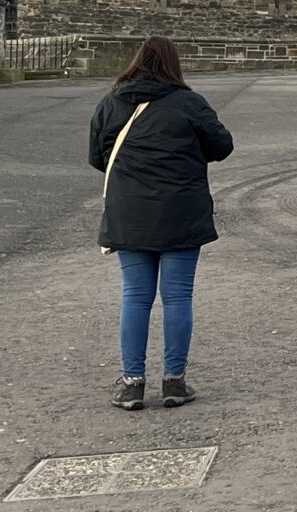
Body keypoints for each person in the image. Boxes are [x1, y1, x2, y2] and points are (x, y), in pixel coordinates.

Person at [89, 36, 234, 411]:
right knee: (177, 297)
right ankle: (174, 380)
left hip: (130, 211)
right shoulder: (189, 103)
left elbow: (97, 155)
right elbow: (222, 146)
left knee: (135, 297)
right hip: (180, 211)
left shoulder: (113, 102)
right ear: (174, 65)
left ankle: (132, 382)